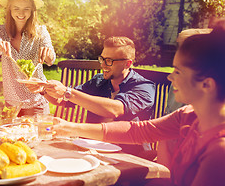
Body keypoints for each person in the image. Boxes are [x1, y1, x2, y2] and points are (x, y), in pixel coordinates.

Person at [53, 29, 225, 186]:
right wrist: (70, 127)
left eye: (178, 72)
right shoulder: (186, 116)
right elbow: (139, 130)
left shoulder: (218, 151)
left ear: (207, 85)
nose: (171, 77)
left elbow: (117, 111)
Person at [29, 36, 155, 156]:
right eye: (102, 59)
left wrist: (68, 92)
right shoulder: (99, 81)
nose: (103, 65)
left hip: (130, 154)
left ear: (128, 64)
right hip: (93, 148)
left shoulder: (144, 87)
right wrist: (43, 89)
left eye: (109, 61)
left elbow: (116, 110)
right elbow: (62, 100)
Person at [0, 0, 56, 116]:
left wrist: (48, 53)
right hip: (12, 105)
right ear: (9, 9)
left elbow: (51, 58)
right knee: (11, 137)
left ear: (32, 10)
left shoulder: (41, 31)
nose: (21, 13)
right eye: (16, 8)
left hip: (37, 103)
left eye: (26, 9)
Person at [164, 28, 212, 115]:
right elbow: (170, 117)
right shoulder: (177, 81)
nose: (170, 77)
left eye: (186, 46)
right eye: (180, 46)